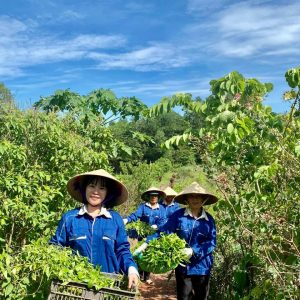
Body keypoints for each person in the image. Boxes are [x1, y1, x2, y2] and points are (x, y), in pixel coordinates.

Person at [50, 169, 139, 289]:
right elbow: (56, 247)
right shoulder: (70, 218)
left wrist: (132, 270)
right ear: (84, 188)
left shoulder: (115, 219)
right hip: (75, 286)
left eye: (102, 188)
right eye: (91, 186)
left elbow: (122, 250)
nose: (96, 191)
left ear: (108, 192)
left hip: (107, 286)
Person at [134, 182, 218, 300]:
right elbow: (163, 232)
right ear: (186, 199)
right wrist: (146, 243)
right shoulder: (178, 216)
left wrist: (193, 251)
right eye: (192, 196)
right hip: (183, 266)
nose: (195, 199)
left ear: (204, 199)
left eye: (198, 196)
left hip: (202, 266)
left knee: (201, 297)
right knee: (183, 297)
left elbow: (212, 242)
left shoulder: (209, 220)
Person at [123, 187, 166, 284]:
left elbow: (163, 222)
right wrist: (127, 219)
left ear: (158, 197)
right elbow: (135, 215)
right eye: (151, 196)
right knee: (137, 252)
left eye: (155, 196)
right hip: (141, 234)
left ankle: (146, 277)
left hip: (153, 235)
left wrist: (157, 226)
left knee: (148, 253)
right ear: (148, 197)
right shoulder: (143, 207)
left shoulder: (161, 209)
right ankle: (137, 274)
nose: (153, 198)